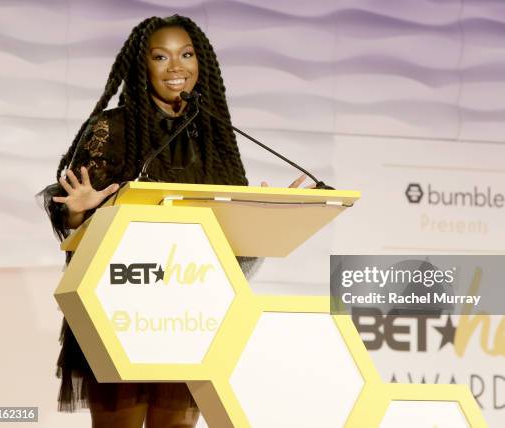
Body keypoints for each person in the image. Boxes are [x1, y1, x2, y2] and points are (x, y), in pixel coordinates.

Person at [41, 14, 306, 428]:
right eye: (160, 56)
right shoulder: (112, 127)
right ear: (141, 65)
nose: (176, 67)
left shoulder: (215, 135)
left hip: (190, 312)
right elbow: (71, 210)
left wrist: (269, 214)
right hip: (121, 309)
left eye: (186, 54)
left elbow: (228, 229)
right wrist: (79, 209)